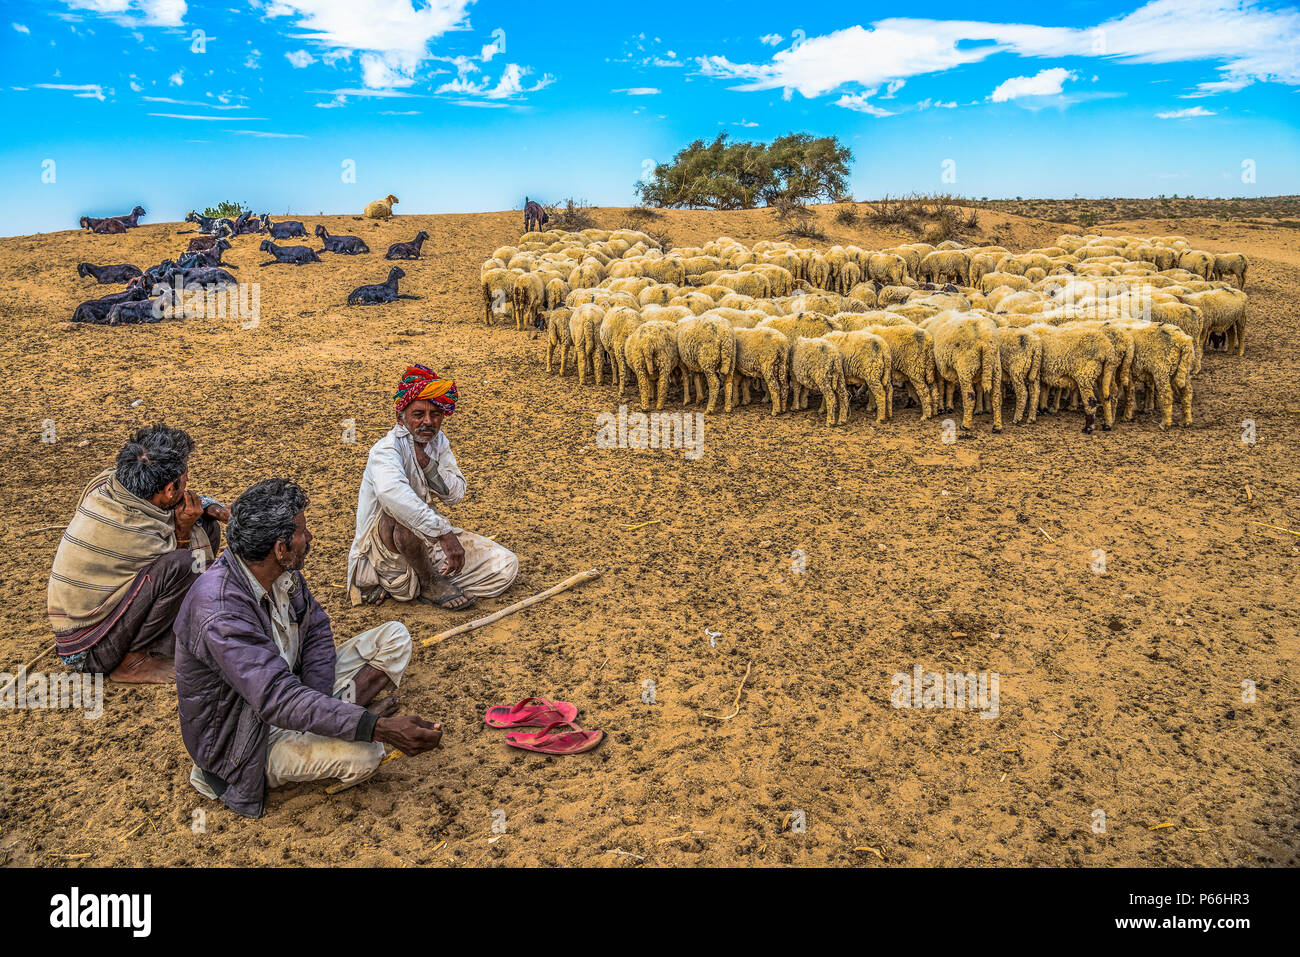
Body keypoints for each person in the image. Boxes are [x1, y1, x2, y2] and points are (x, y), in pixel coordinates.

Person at [174, 478, 442, 818]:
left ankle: (325, 716)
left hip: (289, 691)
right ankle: (328, 721)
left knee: (395, 637)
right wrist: (376, 727)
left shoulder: (276, 571)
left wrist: (319, 704)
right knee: (368, 755)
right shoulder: (221, 610)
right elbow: (275, 699)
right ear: (280, 548)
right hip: (248, 739)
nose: (310, 538)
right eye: (302, 531)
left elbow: (315, 627)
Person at [47, 423, 227, 684]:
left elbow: (182, 502)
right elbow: (176, 566)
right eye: (185, 476)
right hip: (91, 652)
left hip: (96, 628)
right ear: (168, 490)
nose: (188, 481)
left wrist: (219, 511)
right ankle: (133, 661)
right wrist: (184, 533)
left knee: (203, 527)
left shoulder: (110, 485)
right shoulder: (138, 533)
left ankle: (161, 639)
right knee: (184, 564)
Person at [347, 365, 518, 611]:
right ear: (400, 417)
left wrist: (427, 463)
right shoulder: (385, 451)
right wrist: (444, 533)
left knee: (505, 566)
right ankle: (427, 583)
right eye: (418, 414)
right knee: (399, 513)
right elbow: (392, 495)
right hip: (387, 555)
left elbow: (456, 493)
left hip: (425, 542)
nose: (428, 421)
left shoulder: (437, 442)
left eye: (435, 414)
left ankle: (418, 579)